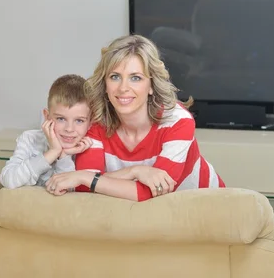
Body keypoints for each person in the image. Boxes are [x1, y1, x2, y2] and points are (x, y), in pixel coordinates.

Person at [45, 35, 225, 201]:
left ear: (151, 86)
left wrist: (83, 177)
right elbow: (86, 190)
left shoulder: (177, 121)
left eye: (136, 78)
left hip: (205, 208)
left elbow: (154, 191)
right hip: (145, 218)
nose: (123, 88)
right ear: (105, 84)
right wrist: (136, 172)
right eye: (115, 77)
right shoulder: (95, 121)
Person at [0, 74, 93, 189]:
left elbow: (69, 197)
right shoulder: (30, 139)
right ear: (47, 116)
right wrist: (53, 152)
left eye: (79, 120)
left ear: (90, 123)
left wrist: (64, 156)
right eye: (61, 119)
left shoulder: (87, 148)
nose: (69, 129)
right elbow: (9, 180)